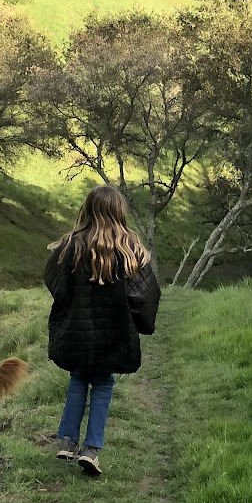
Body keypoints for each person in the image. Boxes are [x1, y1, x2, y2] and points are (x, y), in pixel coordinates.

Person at [44, 185, 161, 478]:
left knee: (78, 378)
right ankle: (91, 449)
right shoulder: (130, 249)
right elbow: (145, 294)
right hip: (114, 334)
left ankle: (67, 441)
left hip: (78, 331)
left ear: (87, 209)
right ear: (119, 211)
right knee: (103, 384)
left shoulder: (71, 246)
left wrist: (71, 304)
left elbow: (55, 283)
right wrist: (135, 320)